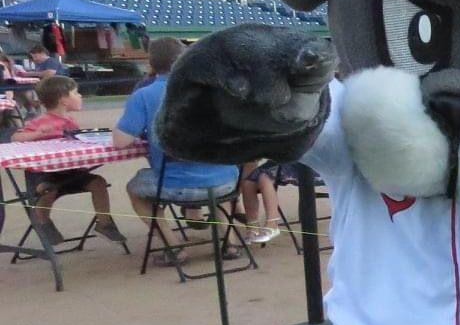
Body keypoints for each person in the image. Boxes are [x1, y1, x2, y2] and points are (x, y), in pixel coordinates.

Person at [111, 36, 242, 244]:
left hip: (178, 184)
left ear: (151, 64)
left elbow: (120, 142)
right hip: (227, 181)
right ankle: (230, 240)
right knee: (214, 177)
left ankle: (172, 244)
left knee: (134, 188)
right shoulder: (213, 91)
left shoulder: (145, 95)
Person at [13, 74, 127, 246]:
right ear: (63, 100)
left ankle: (104, 223)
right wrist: (37, 134)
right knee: (47, 189)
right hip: (44, 176)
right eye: (76, 93)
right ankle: (42, 219)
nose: (80, 96)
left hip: (70, 173)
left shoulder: (70, 122)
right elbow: (16, 138)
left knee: (98, 183)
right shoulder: (41, 121)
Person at [239, 161, 283, 245]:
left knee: (264, 178)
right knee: (248, 182)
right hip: (277, 161)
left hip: (300, 162)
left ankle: (272, 223)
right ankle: (253, 226)